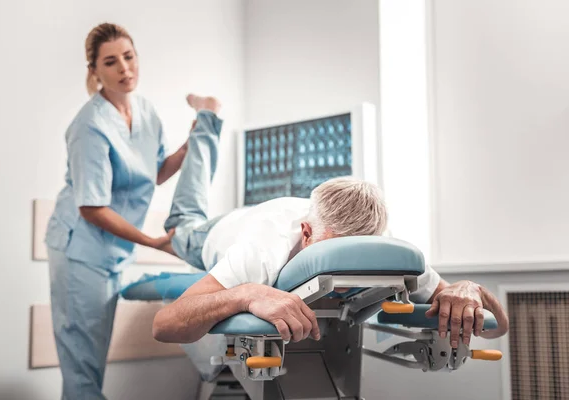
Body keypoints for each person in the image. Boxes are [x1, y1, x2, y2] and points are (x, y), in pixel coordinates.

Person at [153, 95, 509, 352]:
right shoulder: (261, 251)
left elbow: (497, 330)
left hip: (263, 215)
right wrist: (247, 293)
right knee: (182, 223)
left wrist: (468, 288)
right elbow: (164, 325)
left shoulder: (387, 255)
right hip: (212, 234)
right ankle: (207, 119)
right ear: (306, 234)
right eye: (333, 251)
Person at [44, 23, 189, 400]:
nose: (124, 68)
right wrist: (154, 242)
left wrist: (193, 143)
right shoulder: (89, 125)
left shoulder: (145, 111)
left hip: (111, 252)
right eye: (111, 62)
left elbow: (154, 174)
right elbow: (92, 208)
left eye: (129, 56)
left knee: (92, 360)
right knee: (82, 364)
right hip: (80, 249)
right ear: (95, 71)